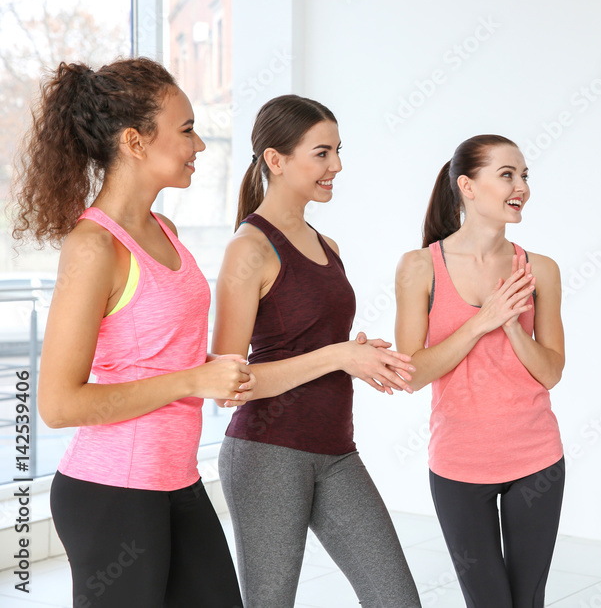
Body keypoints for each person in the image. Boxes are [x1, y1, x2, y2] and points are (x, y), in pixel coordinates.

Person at [13, 58, 247, 607]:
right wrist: (194, 381)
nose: (200, 146)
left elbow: (174, 360)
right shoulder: (93, 247)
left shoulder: (165, 230)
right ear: (135, 141)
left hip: (178, 481)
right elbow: (58, 404)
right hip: (113, 491)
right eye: (187, 130)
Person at [212, 94, 421, 608]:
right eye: (323, 153)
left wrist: (358, 353)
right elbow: (225, 383)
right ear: (276, 160)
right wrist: (338, 358)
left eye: (338, 151)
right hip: (267, 453)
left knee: (396, 599)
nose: (337, 165)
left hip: (335, 450)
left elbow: (311, 342)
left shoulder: (327, 245)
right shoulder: (249, 248)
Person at [394, 135, 565, 608]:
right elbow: (411, 374)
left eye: (525, 175)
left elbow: (551, 372)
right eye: (507, 174)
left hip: (537, 459)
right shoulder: (419, 268)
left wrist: (511, 327)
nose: (522, 186)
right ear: (467, 186)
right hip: (459, 463)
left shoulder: (540, 270)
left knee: (528, 602)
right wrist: (482, 320)